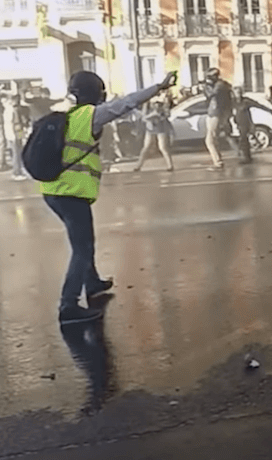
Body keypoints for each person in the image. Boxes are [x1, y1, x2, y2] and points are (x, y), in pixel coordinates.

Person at [41, 69, 177, 324]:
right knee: (82, 248)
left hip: (54, 192)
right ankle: (68, 305)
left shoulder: (68, 115)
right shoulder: (91, 115)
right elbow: (126, 103)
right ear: (96, 93)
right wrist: (158, 87)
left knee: (83, 240)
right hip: (70, 194)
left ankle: (92, 283)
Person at [133, 88, 175, 172]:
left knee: (162, 146)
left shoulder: (163, 101)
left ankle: (170, 165)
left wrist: (161, 113)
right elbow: (143, 117)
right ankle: (138, 165)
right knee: (146, 147)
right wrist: (151, 116)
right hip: (151, 126)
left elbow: (167, 114)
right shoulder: (147, 103)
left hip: (160, 125)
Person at [201, 68, 231, 169]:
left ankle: (217, 162)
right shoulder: (219, 85)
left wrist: (206, 86)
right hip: (212, 113)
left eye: (210, 76)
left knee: (209, 140)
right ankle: (218, 160)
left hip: (216, 113)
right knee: (214, 139)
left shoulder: (220, 85)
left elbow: (211, 95)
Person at [232, 84, 254, 164]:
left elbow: (258, 104)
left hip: (245, 122)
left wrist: (271, 110)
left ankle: (246, 157)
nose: (238, 94)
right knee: (242, 140)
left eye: (239, 92)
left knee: (243, 140)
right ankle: (246, 156)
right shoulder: (232, 101)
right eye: (236, 92)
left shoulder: (246, 101)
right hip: (236, 123)